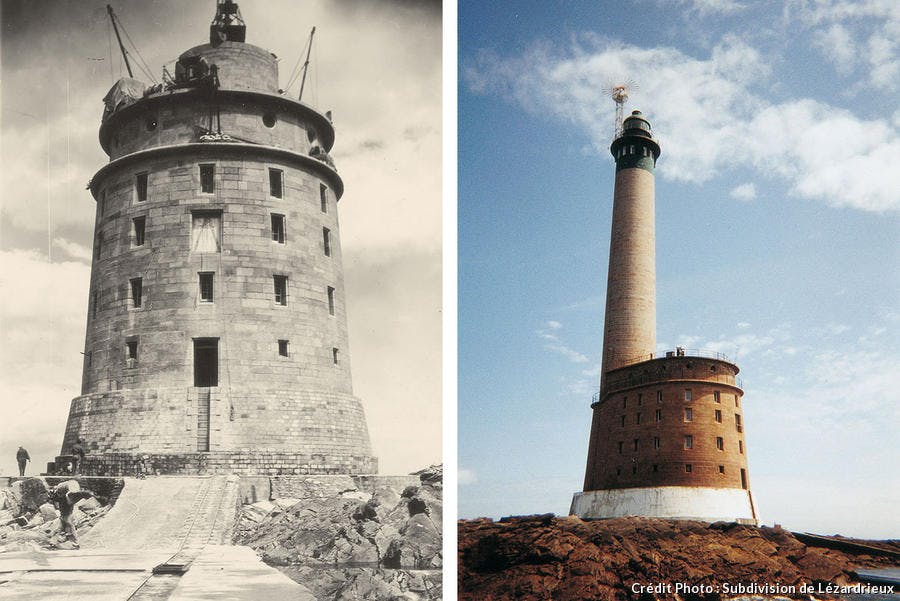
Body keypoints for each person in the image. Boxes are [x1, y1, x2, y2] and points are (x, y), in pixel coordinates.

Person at [50, 480, 93, 548]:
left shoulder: (65, 495)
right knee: (60, 528)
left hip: (67, 514)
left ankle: (74, 544)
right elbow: (57, 499)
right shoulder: (64, 495)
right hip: (64, 514)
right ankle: (54, 543)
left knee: (68, 528)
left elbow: (59, 499)